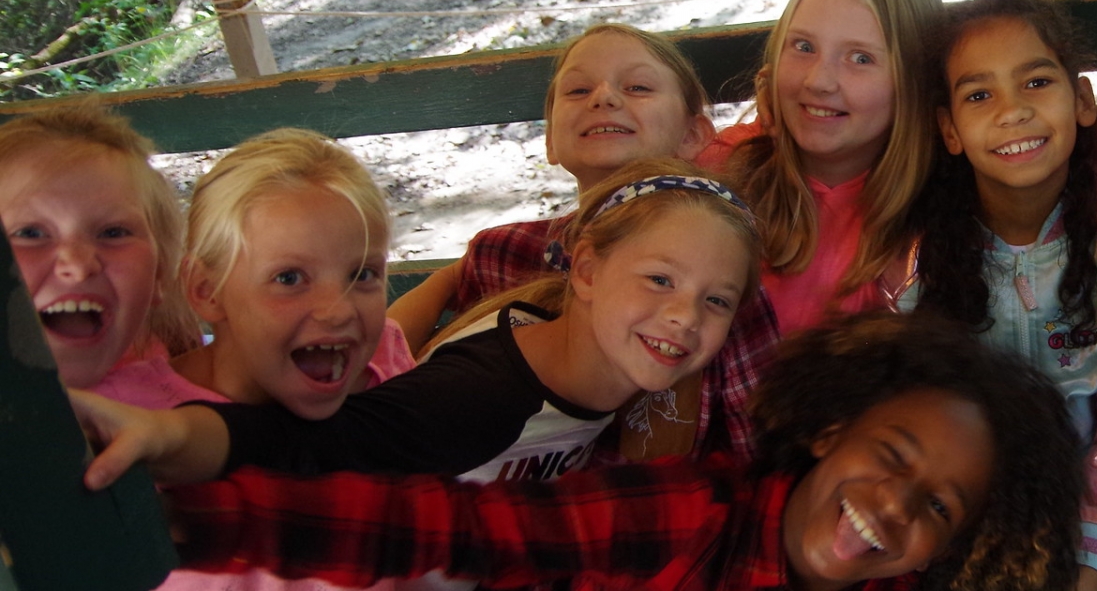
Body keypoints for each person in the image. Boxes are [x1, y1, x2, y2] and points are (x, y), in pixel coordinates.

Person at [79, 313, 1086, 591]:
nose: (898, 507)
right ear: (830, 432)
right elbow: (456, 528)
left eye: (941, 508)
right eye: (892, 455)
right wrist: (179, 517)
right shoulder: (695, 511)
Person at [70, 159, 759, 493]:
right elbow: (313, 447)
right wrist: (167, 433)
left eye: (716, 301)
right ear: (584, 272)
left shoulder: (612, 360)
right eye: (660, 281)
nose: (682, 315)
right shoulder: (471, 401)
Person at [882, 0, 1097, 591]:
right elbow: (904, 412)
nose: (1012, 110)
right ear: (949, 128)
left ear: (1081, 100)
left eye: (1036, 82)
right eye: (978, 94)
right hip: (968, 495)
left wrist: (1095, 552)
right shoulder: (914, 262)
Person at [387, 23, 780, 463]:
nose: (604, 98)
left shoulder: (720, 272)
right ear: (551, 139)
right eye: (577, 91)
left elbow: (757, 445)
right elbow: (392, 374)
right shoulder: (506, 252)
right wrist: (448, 278)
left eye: (637, 86)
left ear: (694, 135)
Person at [701, 0, 944, 334]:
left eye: (861, 58)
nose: (818, 81)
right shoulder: (720, 172)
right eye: (803, 47)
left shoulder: (948, 211)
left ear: (913, 82)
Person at [164, 129, 415, 420]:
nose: (339, 312)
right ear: (206, 290)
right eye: (289, 278)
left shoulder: (384, 358)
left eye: (361, 275)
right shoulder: (142, 414)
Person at [0, 105, 198, 394]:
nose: (79, 266)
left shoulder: (194, 421)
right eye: (30, 234)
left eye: (113, 233)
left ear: (158, 274)